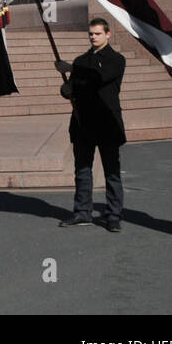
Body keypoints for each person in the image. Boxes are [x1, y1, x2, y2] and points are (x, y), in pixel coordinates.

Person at [55, 18, 127, 231]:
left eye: (97, 33)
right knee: (82, 170)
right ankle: (82, 211)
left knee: (111, 170)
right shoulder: (81, 60)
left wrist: (73, 70)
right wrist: (66, 89)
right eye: (91, 34)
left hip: (107, 122)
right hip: (82, 122)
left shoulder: (116, 59)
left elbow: (99, 78)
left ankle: (113, 214)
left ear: (108, 34)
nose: (93, 37)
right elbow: (72, 87)